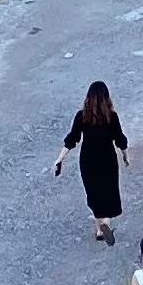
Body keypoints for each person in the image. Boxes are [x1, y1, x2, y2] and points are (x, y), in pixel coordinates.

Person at [52, 80, 130, 244]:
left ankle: (100, 229)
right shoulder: (112, 117)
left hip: (88, 161)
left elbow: (72, 139)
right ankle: (106, 223)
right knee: (108, 192)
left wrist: (60, 159)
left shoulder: (82, 116)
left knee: (94, 194)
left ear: (88, 97)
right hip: (107, 160)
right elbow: (120, 140)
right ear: (107, 98)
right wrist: (125, 156)